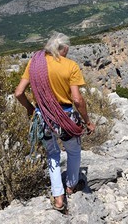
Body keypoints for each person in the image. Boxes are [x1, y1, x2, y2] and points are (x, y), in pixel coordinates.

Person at [15, 32, 96, 211]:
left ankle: (58, 197)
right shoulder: (70, 66)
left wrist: (30, 109)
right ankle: (71, 185)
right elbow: (77, 99)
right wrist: (88, 121)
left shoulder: (34, 63)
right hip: (65, 117)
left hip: (43, 117)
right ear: (64, 48)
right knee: (73, 152)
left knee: (52, 155)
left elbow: (19, 93)